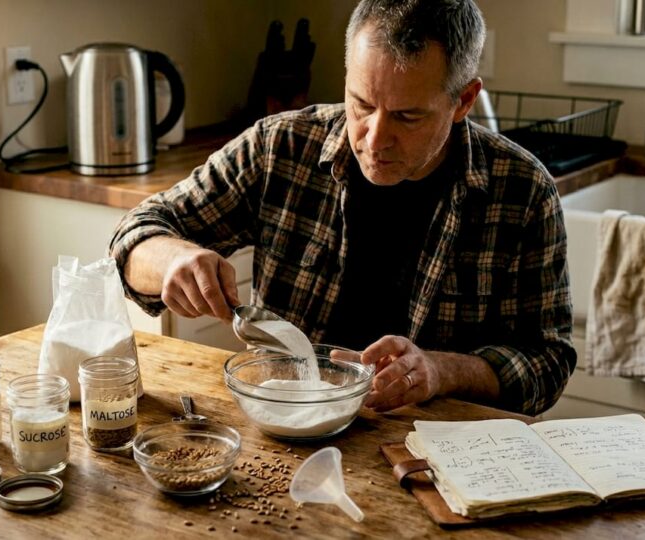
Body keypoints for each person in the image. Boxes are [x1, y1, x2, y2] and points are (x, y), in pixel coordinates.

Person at [110, 0, 575, 416]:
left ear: (463, 101)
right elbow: (134, 237)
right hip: (288, 428)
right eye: (362, 103)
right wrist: (172, 259)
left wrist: (441, 371)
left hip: (441, 453)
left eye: (407, 116)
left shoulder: (522, 189)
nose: (374, 139)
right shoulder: (281, 148)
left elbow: (548, 363)